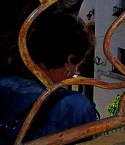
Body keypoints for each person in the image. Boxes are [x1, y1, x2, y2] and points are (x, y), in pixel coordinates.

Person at [0, 13, 99, 142]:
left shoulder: (4, 84)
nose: (76, 71)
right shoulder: (75, 106)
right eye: (77, 63)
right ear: (69, 59)